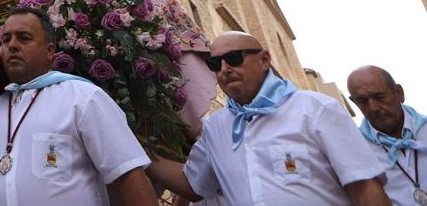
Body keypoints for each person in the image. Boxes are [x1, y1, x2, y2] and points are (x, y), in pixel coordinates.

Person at [0, 7, 157, 205]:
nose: (13, 45)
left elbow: (129, 176)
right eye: (6, 40)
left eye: (24, 38)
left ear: (50, 51)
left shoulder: (82, 97)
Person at [146, 32, 390, 205]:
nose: (224, 69)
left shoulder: (316, 109)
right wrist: (136, 149)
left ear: (264, 59)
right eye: (214, 63)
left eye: (233, 58)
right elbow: (193, 185)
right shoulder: (215, 127)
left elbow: (365, 188)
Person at [347, 65, 427, 205]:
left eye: (379, 97)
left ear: (399, 93)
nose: (373, 107)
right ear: (354, 102)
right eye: (362, 101)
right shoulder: (355, 152)